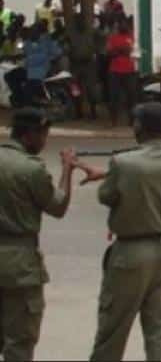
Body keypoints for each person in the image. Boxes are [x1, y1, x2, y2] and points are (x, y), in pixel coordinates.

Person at [81, 102, 161, 362]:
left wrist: (109, 175)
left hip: (130, 254)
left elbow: (107, 196)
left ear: (139, 126)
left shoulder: (123, 162)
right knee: (160, 334)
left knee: (113, 331)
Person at [0, 108, 78, 362]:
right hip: (18, 265)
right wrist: (67, 169)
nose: (45, 142)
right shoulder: (30, 169)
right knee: (19, 341)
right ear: (29, 135)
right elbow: (58, 206)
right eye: (44, 135)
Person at [106, 20, 139, 127]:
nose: (123, 26)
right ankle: (113, 120)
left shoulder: (133, 37)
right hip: (115, 71)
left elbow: (134, 51)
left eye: (125, 24)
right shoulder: (113, 38)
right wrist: (123, 50)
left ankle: (132, 120)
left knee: (132, 97)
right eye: (121, 24)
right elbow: (110, 52)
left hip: (130, 71)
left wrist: (120, 50)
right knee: (113, 97)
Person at [68, 17, 101, 120]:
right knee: (75, 89)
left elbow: (96, 47)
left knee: (90, 89)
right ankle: (78, 112)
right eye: (78, 23)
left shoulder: (90, 34)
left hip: (88, 64)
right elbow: (68, 48)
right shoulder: (72, 35)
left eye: (81, 22)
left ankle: (93, 111)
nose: (80, 25)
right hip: (76, 64)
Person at [22, 23, 60, 105]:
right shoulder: (27, 44)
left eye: (34, 32)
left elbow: (57, 52)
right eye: (31, 32)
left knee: (30, 89)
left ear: (38, 33)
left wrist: (50, 58)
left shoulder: (46, 42)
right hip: (30, 72)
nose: (32, 34)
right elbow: (25, 55)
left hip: (42, 72)